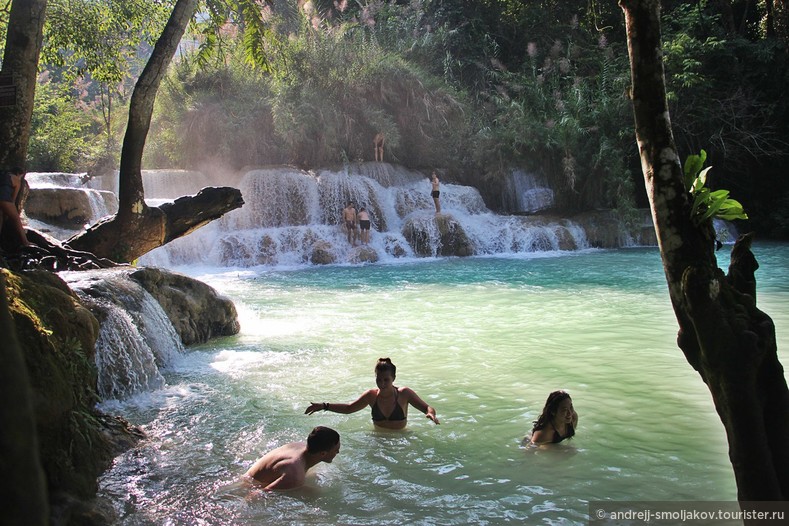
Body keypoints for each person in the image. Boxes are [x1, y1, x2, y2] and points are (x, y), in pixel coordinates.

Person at [305, 357, 440, 430]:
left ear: (394, 378)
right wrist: (324, 406)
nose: (382, 383)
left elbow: (427, 408)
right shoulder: (371, 395)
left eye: (386, 380)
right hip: (378, 440)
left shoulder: (404, 393)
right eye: (378, 379)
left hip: (401, 439)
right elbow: (349, 408)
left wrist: (431, 414)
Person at [244, 426, 341, 490]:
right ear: (323, 453)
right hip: (247, 486)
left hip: (247, 478)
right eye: (336, 450)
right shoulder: (295, 475)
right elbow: (259, 494)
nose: (338, 452)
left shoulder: (300, 446)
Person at [0, 166, 31, 247]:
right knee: (16, 219)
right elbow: (13, 199)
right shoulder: (16, 179)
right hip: (5, 199)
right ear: (18, 174)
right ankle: (25, 242)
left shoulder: (3, 175)